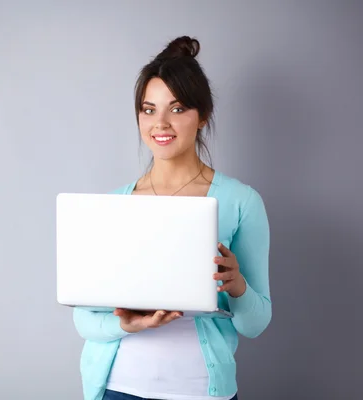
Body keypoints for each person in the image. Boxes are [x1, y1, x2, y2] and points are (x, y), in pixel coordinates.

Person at [72, 36, 271, 400]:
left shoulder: (241, 201)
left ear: (203, 115)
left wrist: (237, 284)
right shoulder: (115, 205)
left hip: (200, 391)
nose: (159, 123)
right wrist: (126, 324)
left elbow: (256, 323)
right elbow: (84, 319)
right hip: (118, 388)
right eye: (148, 109)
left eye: (176, 109)